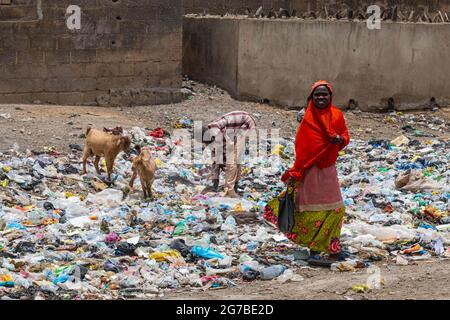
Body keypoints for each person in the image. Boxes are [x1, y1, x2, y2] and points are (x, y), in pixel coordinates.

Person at [264, 80, 350, 266]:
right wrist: (301, 167)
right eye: (317, 95)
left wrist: (338, 139)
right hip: (310, 169)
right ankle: (315, 251)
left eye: (324, 94)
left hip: (328, 169)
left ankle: (333, 248)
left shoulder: (337, 115)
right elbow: (302, 145)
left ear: (330, 96)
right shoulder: (308, 119)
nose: (321, 98)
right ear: (311, 98)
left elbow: (345, 135)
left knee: (336, 208)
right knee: (312, 209)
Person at [199, 111, 256, 198]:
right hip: (234, 129)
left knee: (233, 161)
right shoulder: (212, 133)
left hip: (246, 124)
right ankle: (232, 187)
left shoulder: (218, 133)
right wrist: (215, 180)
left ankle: (231, 191)